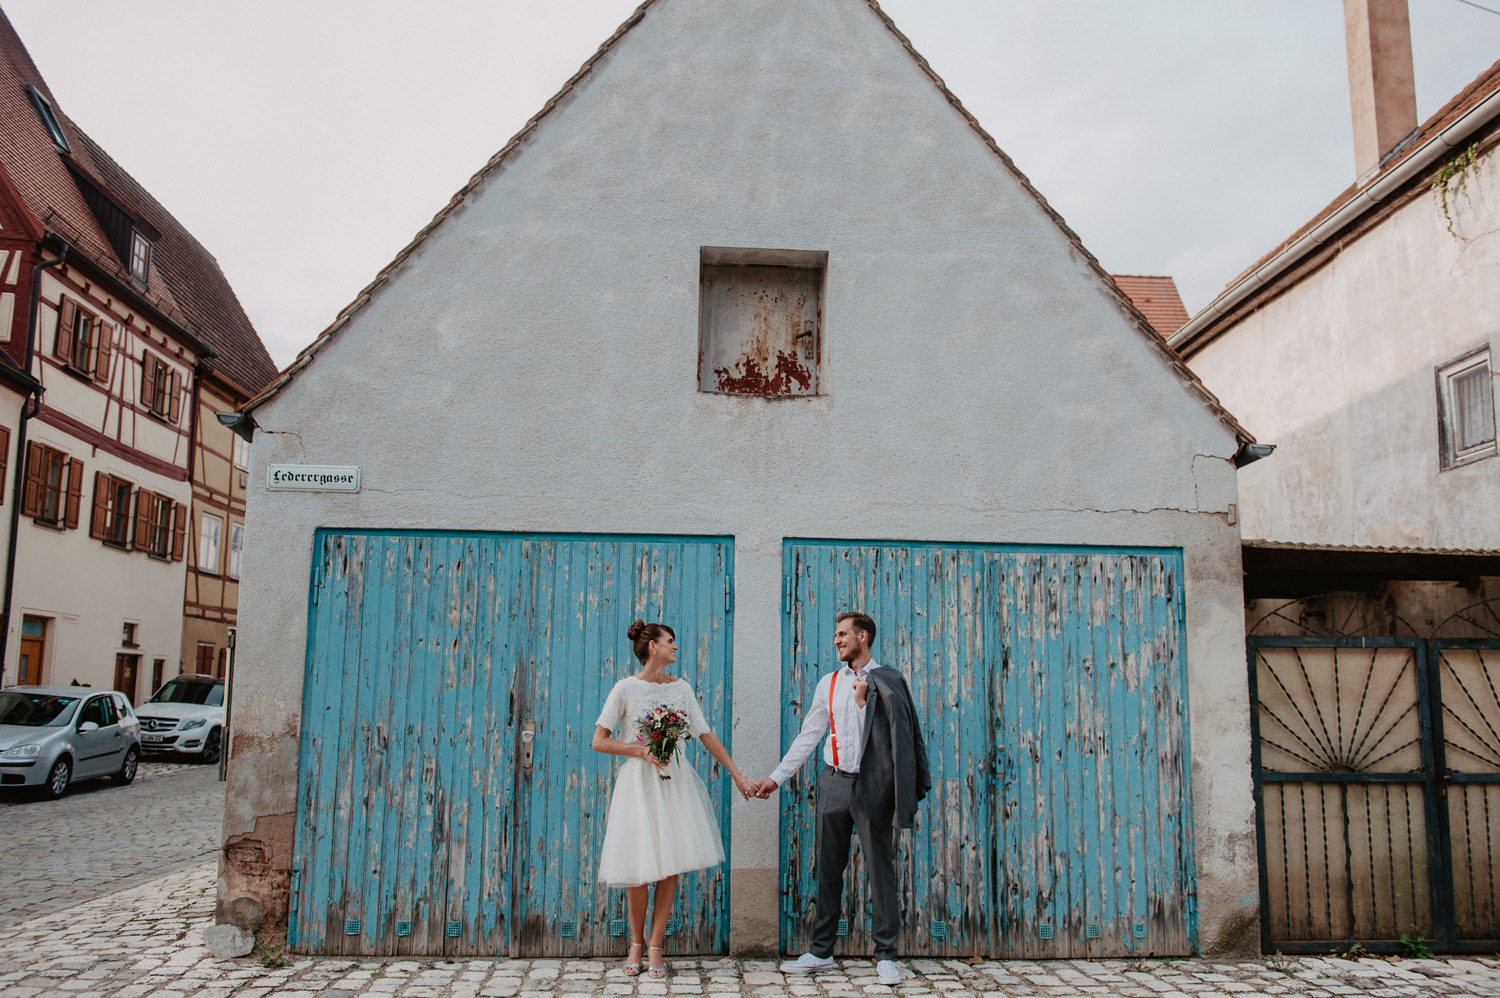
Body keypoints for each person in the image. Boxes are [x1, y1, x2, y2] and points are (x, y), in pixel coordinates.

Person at [751, 611, 929, 986]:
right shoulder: (828, 683)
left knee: (880, 869)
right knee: (828, 870)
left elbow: (890, 739)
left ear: (863, 637)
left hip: (872, 786)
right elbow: (809, 736)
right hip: (833, 783)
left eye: (843, 634)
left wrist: (866, 702)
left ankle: (885, 956)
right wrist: (777, 778)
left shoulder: (888, 680)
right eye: (836, 634)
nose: (836, 640)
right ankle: (820, 952)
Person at [593, 619, 754, 979]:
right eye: (670, 641)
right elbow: (599, 741)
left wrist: (737, 775)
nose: (675, 647)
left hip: (673, 783)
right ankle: (635, 942)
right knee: (638, 866)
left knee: (669, 866)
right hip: (639, 784)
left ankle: (655, 946)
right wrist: (641, 749)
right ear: (653, 646)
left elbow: (706, 735)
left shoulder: (681, 689)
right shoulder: (625, 689)